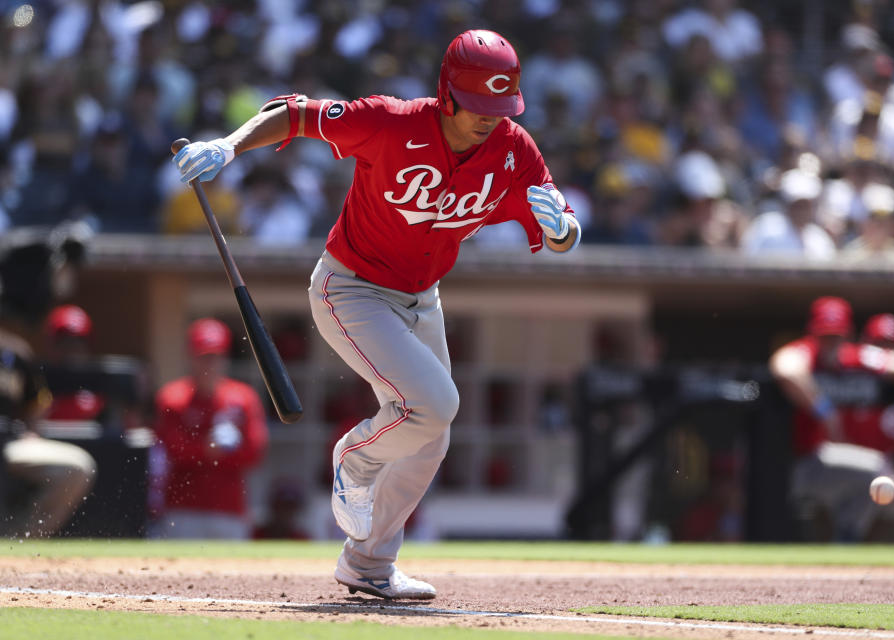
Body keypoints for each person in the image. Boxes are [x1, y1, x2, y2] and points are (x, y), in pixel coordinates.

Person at [172, 29, 580, 599]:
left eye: (501, 105)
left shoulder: (514, 148)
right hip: (351, 288)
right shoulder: (392, 121)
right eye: (479, 105)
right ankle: (354, 459)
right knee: (436, 405)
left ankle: (367, 564)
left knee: (431, 438)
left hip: (423, 296)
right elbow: (295, 114)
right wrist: (231, 145)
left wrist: (565, 230)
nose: (491, 117)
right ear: (448, 94)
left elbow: (555, 226)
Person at [769, 297, 894, 542]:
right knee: (876, 469)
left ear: (847, 335)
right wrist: (824, 410)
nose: (830, 342)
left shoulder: (855, 359)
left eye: (836, 335)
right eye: (824, 335)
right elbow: (785, 368)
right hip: (809, 467)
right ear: (813, 333)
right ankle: (844, 538)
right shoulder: (805, 353)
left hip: (878, 477)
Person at [152, 318, 268, 539]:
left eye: (216, 356)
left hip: (229, 507)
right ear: (191, 356)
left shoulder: (243, 398)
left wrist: (218, 452)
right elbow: (171, 449)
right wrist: (207, 449)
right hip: (183, 508)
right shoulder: (173, 397)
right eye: (203, 357)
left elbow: (255, 451)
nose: (210, 364)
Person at [0, 326, 97, 538]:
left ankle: (20, 540)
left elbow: (37, 404)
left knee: (78, 467)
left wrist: (31, 431)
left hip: (7, 443)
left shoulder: (15, 352)